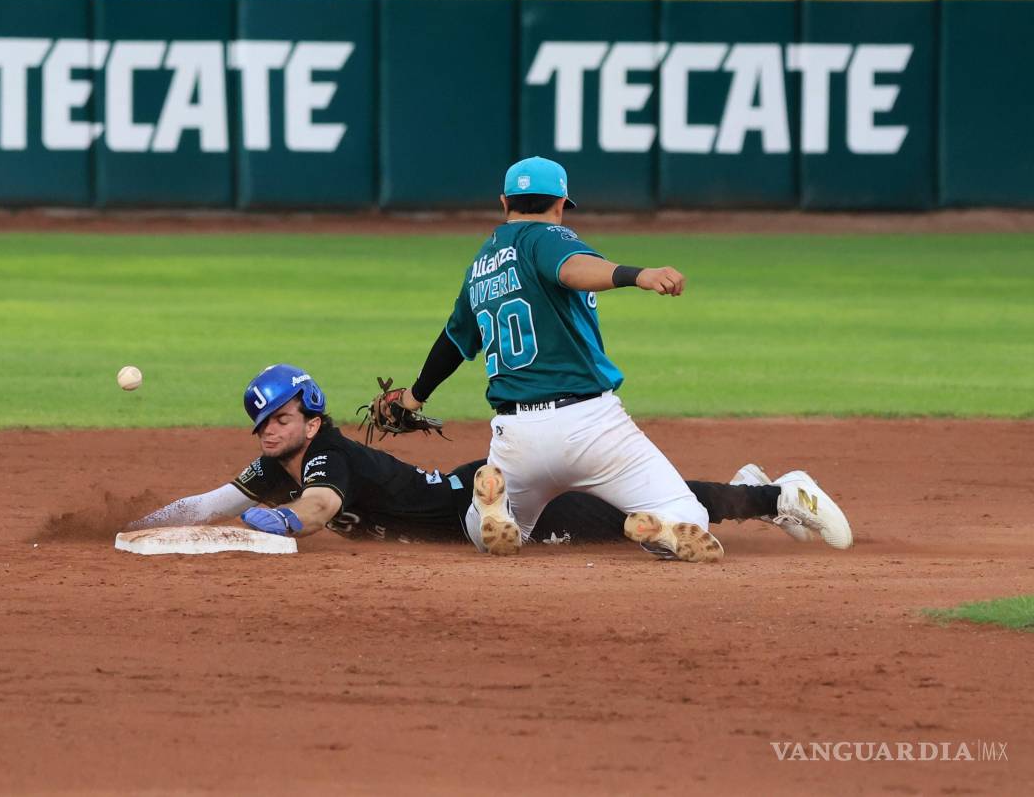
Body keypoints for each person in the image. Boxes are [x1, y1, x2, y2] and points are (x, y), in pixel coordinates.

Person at [388, 156, 853, 560]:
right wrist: (638, 274)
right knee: (689, 513)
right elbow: (572, 270)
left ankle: (493, 509)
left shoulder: (481, 267)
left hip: (517, 437)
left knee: (492, 533)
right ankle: (659, 527)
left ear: (503, 202)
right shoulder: (548, 238)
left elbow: (452, 342)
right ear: (561, 205)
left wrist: (414, 397)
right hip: (593, 427)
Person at [127, 364, 848, 557]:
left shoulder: (324, 457)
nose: (268, 432)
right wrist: (142, 524)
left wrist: (277, 523)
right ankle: (752, 489)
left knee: (620, 513)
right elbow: (213, 500)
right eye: (261, 424)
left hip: (481, 503)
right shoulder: (276, 462)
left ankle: (768, 495)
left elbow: (316, 510)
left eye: (280, 419)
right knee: (624, 506)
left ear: (311, 417)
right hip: (476, 498)